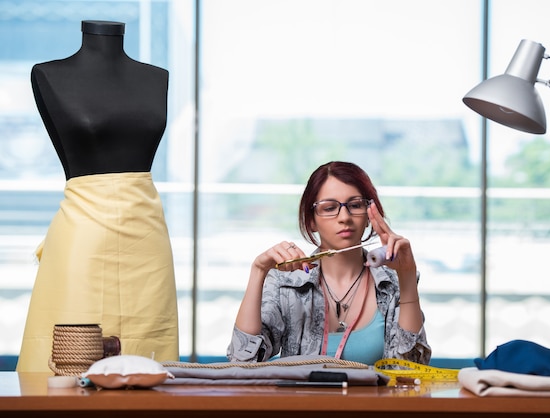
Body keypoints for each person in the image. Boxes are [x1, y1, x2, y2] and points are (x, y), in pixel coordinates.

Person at [16, 20, 179, 372]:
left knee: (149, 342)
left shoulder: (157, 78)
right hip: (82, 230)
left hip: (146, 235)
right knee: (68, 347)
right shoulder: (48, 75)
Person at [227, 161, 431, 365]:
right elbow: (242, 360)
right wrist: (258, 270)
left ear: (369, 215)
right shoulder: (285, 282)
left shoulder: (394, 282)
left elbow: (413, 369)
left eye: (355, 205)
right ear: (311, 221)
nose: (344, 217)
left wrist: (407, 275)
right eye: (330, 208)